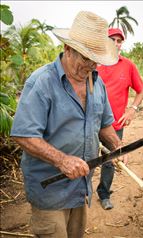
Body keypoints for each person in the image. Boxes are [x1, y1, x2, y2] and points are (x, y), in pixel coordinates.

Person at [10, 11, 122, 238]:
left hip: (81, 187)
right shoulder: (42, 82)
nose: (91, 66)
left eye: (96, 60)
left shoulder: (96, 83)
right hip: (50, 189)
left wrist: (117, 145)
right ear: (68, 49)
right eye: (86, 58)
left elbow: (104, 124)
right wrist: (62, 160)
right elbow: (23, 135)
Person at [96, 28, 143, 210]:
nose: (116, 44)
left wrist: (132, 109)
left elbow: (141, 90)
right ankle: (80, 195)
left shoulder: (128, 65)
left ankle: (104, 194)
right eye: (112, 40)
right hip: (91, 123)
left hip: (114, 124)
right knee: (87, 158)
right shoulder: (95, 63)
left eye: (119, 40)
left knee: (110, 160)